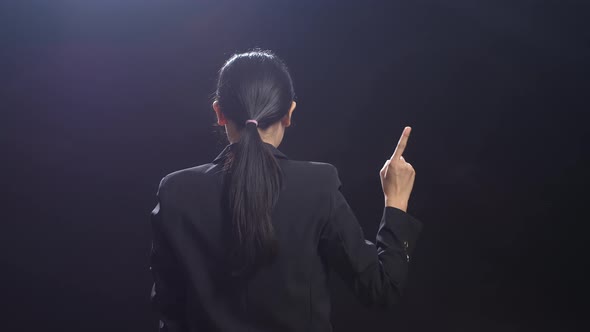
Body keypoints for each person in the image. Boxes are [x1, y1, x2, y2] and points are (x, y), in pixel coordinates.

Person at [149, 50, 422, 332]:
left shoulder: (175, 192)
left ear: (219, 113)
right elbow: (381, 289)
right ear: (289, 114)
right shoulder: (318, 185)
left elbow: (169, 311)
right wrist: (396, 201)